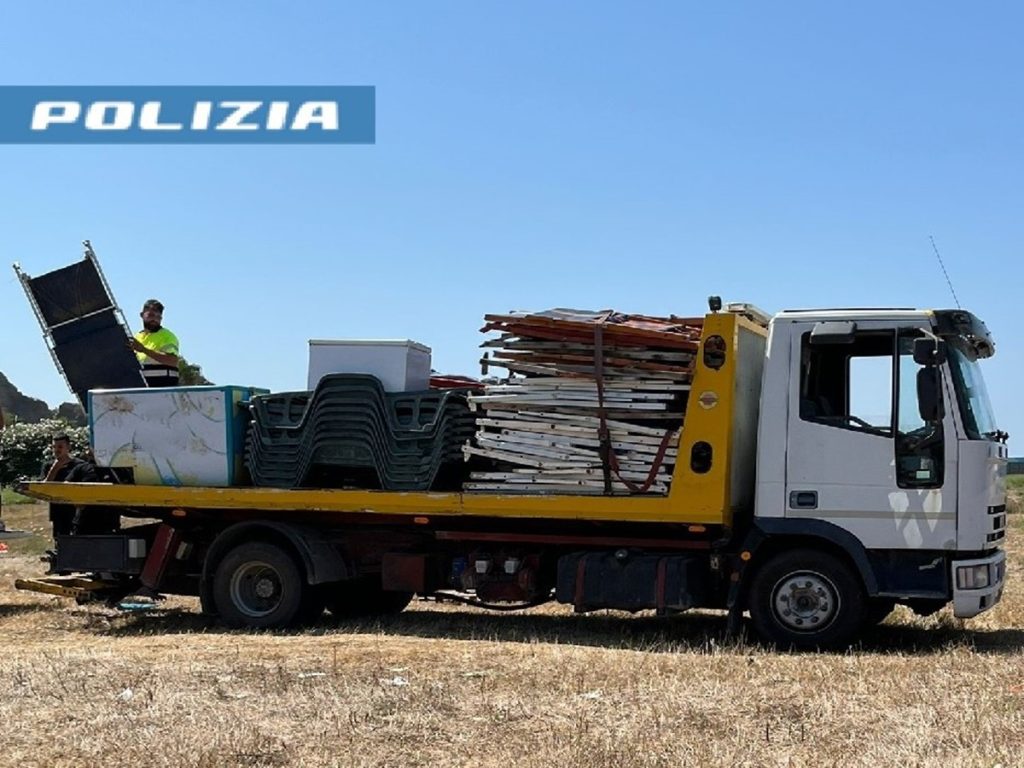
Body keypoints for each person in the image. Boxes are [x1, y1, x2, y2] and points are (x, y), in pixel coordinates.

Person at [44, 434, 98, 537]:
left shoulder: (79, 466)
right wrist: (55, 468)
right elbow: (45, 487)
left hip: (75, 510)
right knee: (60, 539)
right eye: (54, 447)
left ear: (68, 447)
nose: (56, 450)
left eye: (60, 447)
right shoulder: (49, 466)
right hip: (58, 510)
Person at [128, 298, 180, 387]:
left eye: (158, 317)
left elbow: (172, 361)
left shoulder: (167, 336)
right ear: (142, 315)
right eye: (151, 315)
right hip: (141, 388)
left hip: (163, 388)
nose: (155, 319)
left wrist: (144, 350)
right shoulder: (137, 337)